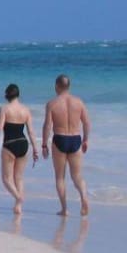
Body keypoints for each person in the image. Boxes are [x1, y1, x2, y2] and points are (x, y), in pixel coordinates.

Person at [42, 74, 91, 216]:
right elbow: (87, 122)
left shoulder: (52, 104)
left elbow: (47, 126)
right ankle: (84, 197)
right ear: (69, 86)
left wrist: (44, 145)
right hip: (75, 139)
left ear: (57, 86)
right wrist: (86, 140)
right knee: (77, 176)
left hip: (60, 139)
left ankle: (64, 209)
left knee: (59, 177)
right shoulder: (79, 102)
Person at [0, 83, 39, 214]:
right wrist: (35, 149)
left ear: (7, 95)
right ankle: (18, 207)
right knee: (18, 178)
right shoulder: (26, 110)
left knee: (6, 179)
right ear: (18, 95)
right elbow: (31, 131)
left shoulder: (5, 108)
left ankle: (19, 198)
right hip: (23, 144)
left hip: (10, 144)